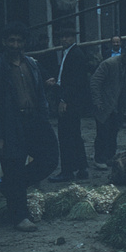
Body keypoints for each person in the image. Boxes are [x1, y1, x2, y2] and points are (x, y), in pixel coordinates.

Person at [0, 22, 59, 232]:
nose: (15, 45)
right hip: (11, 125)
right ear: (4, 42)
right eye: (11, 41)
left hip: (34, 120)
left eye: (19, 41)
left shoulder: (31, 65)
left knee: (50, 159)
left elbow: (40, 93)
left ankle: (9, 185)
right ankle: (20, 217)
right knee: (14, 166)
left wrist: (44, 117)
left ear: (24, 43)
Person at [46, 28, 90, 182]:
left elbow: (76, 81)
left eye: (67, 36)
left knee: (66, 136)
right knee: (74, 135)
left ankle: (68, 170)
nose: (64, 39)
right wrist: (57, 82)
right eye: (62, 37)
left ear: (73, 38)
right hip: (69, 97)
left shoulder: (76, 54)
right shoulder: (68, 53)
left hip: (71, 101)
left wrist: (64, 100)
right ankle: (82, 168)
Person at [90, 44, 126, 170]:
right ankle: (99, 159)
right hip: (104, 104)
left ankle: (109, 157)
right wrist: (97, 101)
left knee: (113, 133)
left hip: (117, 105)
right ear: (124, 55)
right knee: (102, 133)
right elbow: (95, 82)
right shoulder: (108, 64)